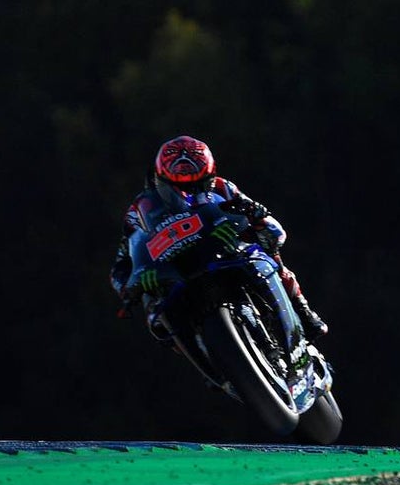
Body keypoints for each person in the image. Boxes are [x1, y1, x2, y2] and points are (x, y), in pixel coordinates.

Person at [110, 135, 328, 342]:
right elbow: (121, 265)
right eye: (179, 188)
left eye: (197, 185)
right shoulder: (138, 211)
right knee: (156, 317)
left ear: (210, 176)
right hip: (172, 271)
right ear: (160, 179)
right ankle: (206, 361)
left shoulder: (224, 187)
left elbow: (269, 226)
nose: (188, 195)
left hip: (222, 249)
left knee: (269, 252)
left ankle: (302, 308)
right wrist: (129, 288)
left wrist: (258, 217)